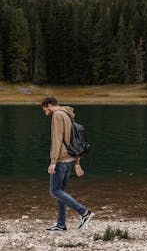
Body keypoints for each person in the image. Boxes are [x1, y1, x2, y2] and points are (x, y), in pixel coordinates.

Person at [41, 96, 94, 231]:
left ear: (49, 105)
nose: (45, 113)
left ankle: (84, 212)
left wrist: (53, 162)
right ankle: (61, 224)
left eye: (44, 110)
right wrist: (77, 163)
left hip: (61, 160)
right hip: (70, 159)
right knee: (61, 192)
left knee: (54, 191)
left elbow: (57, 140)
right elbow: (75, 140)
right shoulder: (68, 114)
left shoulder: (57, 115)